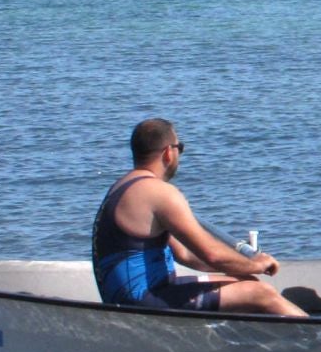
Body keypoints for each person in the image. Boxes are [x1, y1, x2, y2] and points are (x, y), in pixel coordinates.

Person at [90, 118, 306, 316]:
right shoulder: (160, 193)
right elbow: (212, 255)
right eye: (180, 147)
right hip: (143, 301)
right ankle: (318, 336)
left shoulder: (122, 187)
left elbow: (186, 254)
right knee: (261, 293)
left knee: (245, 281)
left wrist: (244, 265)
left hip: (136, 295)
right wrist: (257, 264)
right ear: (168, 153)